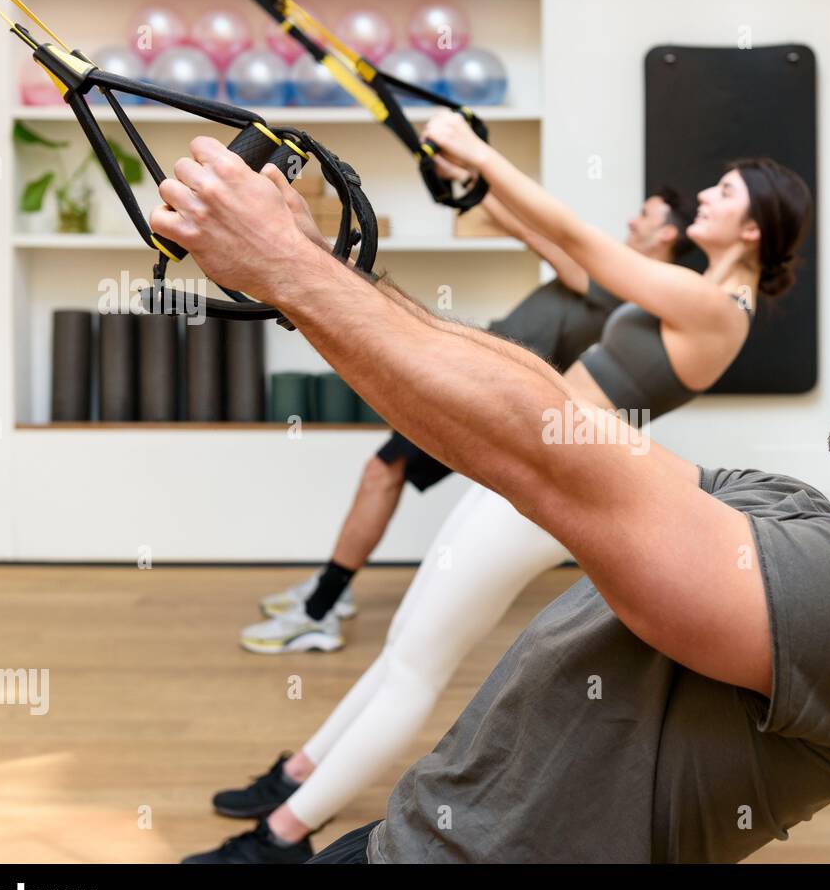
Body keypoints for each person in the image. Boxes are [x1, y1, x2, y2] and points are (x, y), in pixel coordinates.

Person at [152, 125, 830, 861]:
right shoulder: (782, 508)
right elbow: (543, 427)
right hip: (407, 839)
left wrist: (288, 267)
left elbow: (545, 454)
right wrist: (308, 265)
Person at [182, 112, 812, 862]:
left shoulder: (716, 307)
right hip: (533, 470)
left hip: (558, 491)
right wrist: (478, 185)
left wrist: (483, 153)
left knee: (417, 665)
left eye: (727, 190)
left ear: (754, 231)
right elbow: (565, 251)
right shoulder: (690, 292)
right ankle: (298, 775)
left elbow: (582, 241)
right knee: (406, 646)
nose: (705, 194)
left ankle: (279, 839)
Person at [241, 184, 695, 653]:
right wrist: (475, 187)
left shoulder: (622, 283)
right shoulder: (620, 278)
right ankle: (329, 589)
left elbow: (538, 237)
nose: (633, 221)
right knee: (384, 471)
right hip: (473, 374)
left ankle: (320, 610)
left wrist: (482, 187)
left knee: (383, 472)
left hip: (485, 391)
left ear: (665, 232)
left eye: (645, 214)